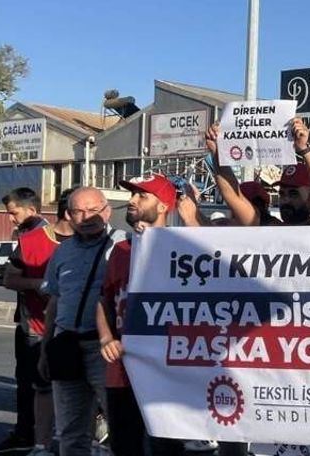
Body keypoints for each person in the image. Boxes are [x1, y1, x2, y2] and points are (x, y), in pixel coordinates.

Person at [96, 173, 185, 456]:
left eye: (142, 195)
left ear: (163, 206)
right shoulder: (120, 250)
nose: (132, 201)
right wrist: (106, 337)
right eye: (132, 194)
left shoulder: (182, 249)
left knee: (165, 446)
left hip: (166, 368)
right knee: (124, 443)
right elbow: (104, 299)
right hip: (122, 368)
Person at [37, 186, 126, 456]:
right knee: (70, 431)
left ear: (107, 211)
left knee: (122, 426)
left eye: (93, 210)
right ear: (68, 215)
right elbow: (54, 300)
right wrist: (45, 348)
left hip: (107, 351)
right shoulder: (62, 253)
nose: (86, 217)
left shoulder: (123, 246)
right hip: (65, 345)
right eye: (78, 211)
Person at [0, 188, 74, 456]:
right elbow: (10, 279)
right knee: (34, 386)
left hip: (77, 329)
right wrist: (38, 283)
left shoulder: (95, 243)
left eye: (13, 213)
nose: (11, 219)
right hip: (34, 328)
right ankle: (33, 438)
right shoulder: (30, 240)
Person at [205, 119, 310, 225]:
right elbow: (234, 196)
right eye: (282, 194)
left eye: (294, 194)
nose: (286, 200)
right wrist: (217, 151)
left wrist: (303, 149)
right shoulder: (270, 230)